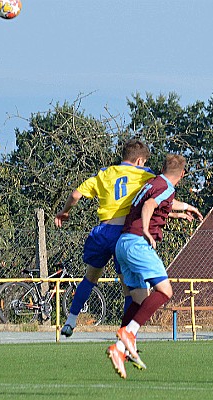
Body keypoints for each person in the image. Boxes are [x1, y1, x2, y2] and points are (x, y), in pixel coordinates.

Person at [106, 154, 203, 379]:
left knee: (139, 299)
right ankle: (128, 334)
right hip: (138, 243)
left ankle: (120, 350)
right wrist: (148, 230)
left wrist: (183, 210)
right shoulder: (167, 187)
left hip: (123, 244)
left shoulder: (153, 182)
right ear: (183, 174)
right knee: (165, 291)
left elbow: (160, 204)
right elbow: (150, 205)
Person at [54, 139, 155, 338]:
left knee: (90, 278)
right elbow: (157, 198)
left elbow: (75, 195)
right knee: (128, 287)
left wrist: (64, 212)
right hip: (124, 234)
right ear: (139, 160)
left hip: (102, 232)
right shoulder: (145, 175)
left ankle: (70, 321)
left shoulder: (104, 173)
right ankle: (125, 334)